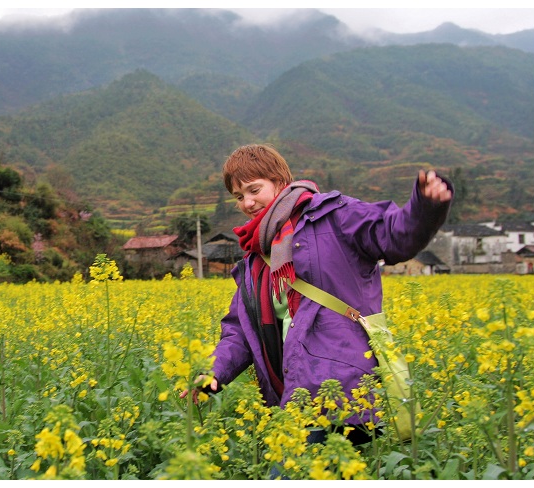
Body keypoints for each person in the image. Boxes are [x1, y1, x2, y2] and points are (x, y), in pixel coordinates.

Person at [181, 143, 453, 445]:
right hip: (291, 396)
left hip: (343, 392)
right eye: (239, 196)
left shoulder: (334, 216)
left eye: (254, 190)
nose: (247, 202)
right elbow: (240, 332)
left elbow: (393, 235)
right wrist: (213, 371)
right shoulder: (256, 257)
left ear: (280, 181)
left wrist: (425, 207)